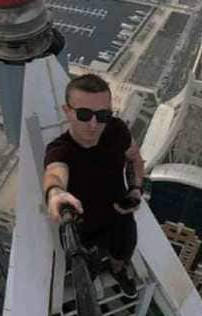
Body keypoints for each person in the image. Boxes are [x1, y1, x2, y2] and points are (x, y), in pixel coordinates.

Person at [43, 74, 144, 298]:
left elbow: (135, 159)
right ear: (67, 111)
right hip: (81, 225)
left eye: (102, 115)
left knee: (123, 253)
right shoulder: (60, 150)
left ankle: (118, 271)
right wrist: (55, 193)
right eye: (84, 114)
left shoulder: (116, 130)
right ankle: (93, 272)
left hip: (119, 214)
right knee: (86, 266)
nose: (93, 124)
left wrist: (136, 189)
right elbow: (54, 173)